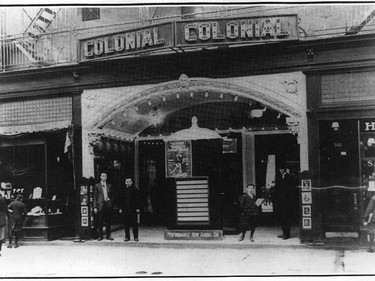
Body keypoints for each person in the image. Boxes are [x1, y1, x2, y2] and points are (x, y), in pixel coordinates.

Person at [274, 165, 296, 240]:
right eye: (280, 169)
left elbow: (292, 189)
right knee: (282, 218)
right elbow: (276, 189)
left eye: (282, 168)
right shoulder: (278, 177)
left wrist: (290, 199)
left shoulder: (290, 177)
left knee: (287, 217)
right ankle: (284, 232)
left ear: (285, 169)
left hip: (288, 201)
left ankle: (287, 234)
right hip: (280, 201)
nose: (281, 170)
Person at [93, 172, 114, 241]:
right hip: (100, 206)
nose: (104, 177)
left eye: (105, 176)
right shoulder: (97, 186)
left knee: (108, 221)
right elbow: (95, 197)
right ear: (100, 177)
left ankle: (108, 235)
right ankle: (100, 236)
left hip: (107, 205)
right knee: (100, 222)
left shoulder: (109, 185)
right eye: (102, 176)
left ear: (106, 177)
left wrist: (110, 202)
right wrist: (95, 207)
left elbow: (112, 196)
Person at [119, 178, 140, 242]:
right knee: (126, 224)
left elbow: (138, 200)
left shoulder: (135, 190)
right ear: (125, 182)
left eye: (129, 181)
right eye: (127, 181)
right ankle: (127, 237)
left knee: (135, 224)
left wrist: (138, 208)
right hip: (125, 209)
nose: (128, 183)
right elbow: (120, 200)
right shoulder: (122, 190)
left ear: (132, 182)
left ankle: (135, 237)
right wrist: (120, 208)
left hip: (133, 209)